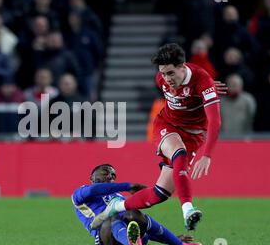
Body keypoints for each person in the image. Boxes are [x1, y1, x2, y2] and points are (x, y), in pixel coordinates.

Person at [91, 43, 222, 231]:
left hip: (193, 136)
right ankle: (188, 210)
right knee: (180, 154)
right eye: (163, 73)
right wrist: (201, 91)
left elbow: (215, 121)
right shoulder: (160, 79)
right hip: (167, 125)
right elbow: (182, 94)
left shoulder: (202, 80)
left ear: (182, 66)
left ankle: (115, 207)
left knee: (159, 194)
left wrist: (207, 155)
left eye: (170, 73)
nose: (166, 78)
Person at [72, 164, 203, 245]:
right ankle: (131, 243)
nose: (110, 176)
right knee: (112, 218)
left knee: (132, 212)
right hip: (105, 239)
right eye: (105, 172)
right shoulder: (80, 193)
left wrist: (171, 238)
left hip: (138, 239)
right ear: (92, 178)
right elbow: (93, 190)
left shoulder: (117, 196)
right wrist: (128, 186)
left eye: (113, 176)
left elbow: (135, 227)